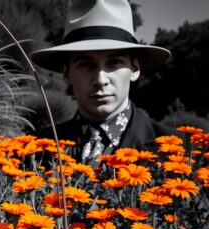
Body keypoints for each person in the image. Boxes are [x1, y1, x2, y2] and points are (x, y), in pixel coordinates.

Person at [30, 0, 187, 163]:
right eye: (86, 65)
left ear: (134, 68)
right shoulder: (30, 153)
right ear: (66, 73)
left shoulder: (187, 153)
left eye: (114, 62)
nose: (100, 80)